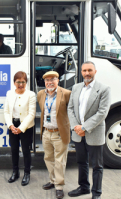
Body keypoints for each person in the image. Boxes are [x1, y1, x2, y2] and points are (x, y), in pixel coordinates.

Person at [67, 61, 111, 199]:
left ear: (95, 71)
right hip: (78, 134)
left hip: (94, 133)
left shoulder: (103, 89)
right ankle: (84, 187)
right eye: (84, 70)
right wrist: (76, 127)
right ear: (81, 72)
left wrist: (84, 127)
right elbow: (70, 109)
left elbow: (102, 112)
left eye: (90, 70)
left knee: (97, 165)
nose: (87, 73)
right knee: (81, 162)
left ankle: (96, 193)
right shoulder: (76, 87)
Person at [37, 71, 71, 199]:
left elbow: (71, 112)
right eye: (47, 80)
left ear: (58, 80)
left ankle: (59, 186)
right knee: (48, 159)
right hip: (46, 132)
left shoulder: (66, 94)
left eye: (52, 79)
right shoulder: (41, 94)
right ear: (44, 82)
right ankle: (52, 181)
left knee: (60, 161)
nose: (49, 82)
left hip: (59, 133)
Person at [4, 71, 36, 186]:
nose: (21, 84)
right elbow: (6, 112)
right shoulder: (9, 93)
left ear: (26, 83)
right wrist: (11, 126)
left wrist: (21, 128)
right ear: (14, 83)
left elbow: (31, 114)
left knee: (26, 151)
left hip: (26, 127)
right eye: (18, 82)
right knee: (14, 150)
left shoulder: (31, 94)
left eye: (23, 82)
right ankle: (15, 172)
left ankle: (27, 173)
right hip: (13, 125)